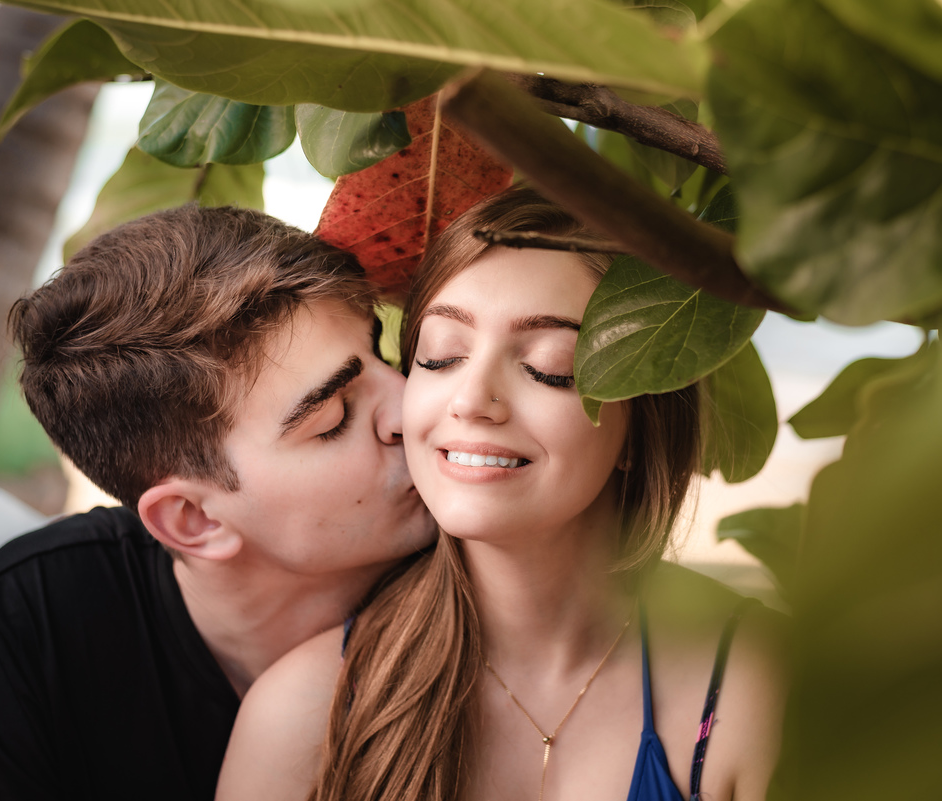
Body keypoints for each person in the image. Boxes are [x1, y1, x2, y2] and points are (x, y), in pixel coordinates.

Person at [217, 187, 786, 801]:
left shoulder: (757, 684)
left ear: (636, 430)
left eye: (549, 367)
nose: (471, 400)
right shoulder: (306, 713)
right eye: (440, 357)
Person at [0, 205, 435, 801]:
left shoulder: (495, 565)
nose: (413, 406)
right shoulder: (35, 619)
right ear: (195, 520)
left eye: (384, 356)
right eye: (334, 417)